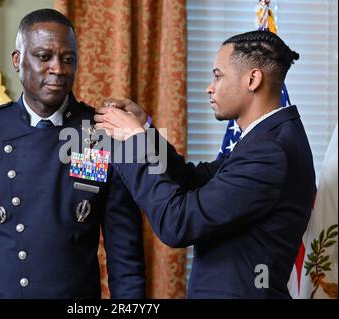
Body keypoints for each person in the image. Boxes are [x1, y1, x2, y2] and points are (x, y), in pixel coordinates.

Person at [0, 9, 145, 299]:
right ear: (18, 61)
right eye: (44, 57)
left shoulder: (99, 134)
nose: (58, 68)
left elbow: (125, 258)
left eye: (68, 59)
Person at [95, 30, 316, 298]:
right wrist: (146, 130)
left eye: (218, 75)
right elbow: (191, 181)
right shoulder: (265, 139)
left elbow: (177, 223)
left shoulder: (269, 151)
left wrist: (134, 141)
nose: (209, 87)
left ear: (252, 79)